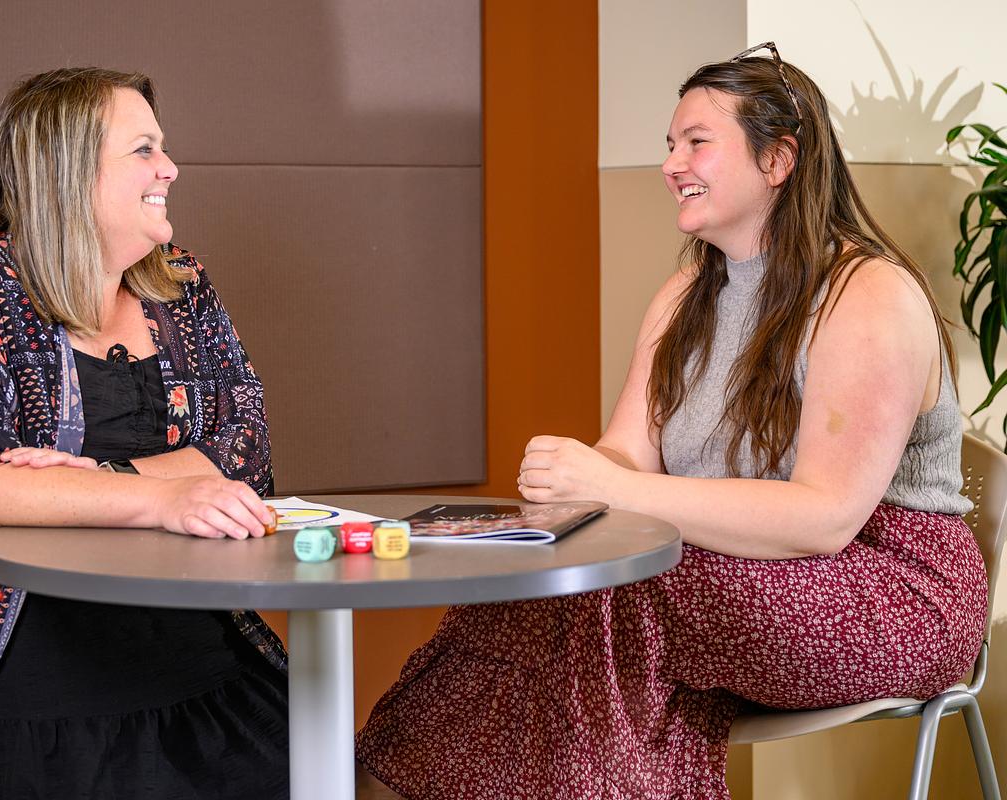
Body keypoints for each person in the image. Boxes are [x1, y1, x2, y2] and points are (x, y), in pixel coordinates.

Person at [355, 44, 988, 799]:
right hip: (741, 569)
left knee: (632, 589)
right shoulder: (687, 293)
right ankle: (384, 786)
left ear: (778, 159)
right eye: (668, 144)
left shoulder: (868, 296)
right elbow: (627, 454)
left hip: (892, 588)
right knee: (530, 589)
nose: (670, 163)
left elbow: (825, 517)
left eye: (697, 142)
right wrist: (573, 486)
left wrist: (611, 491)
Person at [0, 67, 289, 799]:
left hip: (182, 639)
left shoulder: (181, 286)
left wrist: (92, 480)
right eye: (143, 150)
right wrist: (166, 495)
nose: (170, 168)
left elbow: (243, 456)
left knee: (297, 759)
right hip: (2, 654)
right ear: (67, 169)